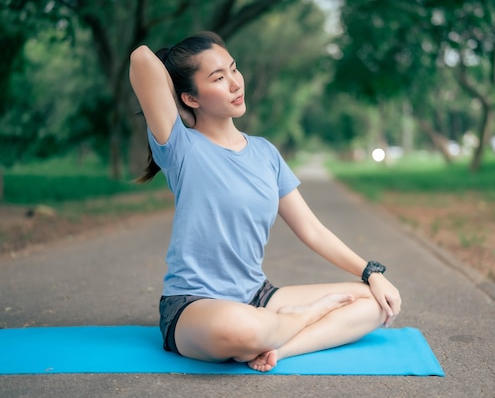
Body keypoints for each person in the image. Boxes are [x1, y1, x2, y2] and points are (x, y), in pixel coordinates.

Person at [129, 31, 401, 372]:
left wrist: (371, 272)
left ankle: (281, 348)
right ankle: (300, 319)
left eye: (233, 69)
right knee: (241, 328)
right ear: (191, 97)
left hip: (258, 296)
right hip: (194, 305)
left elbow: (312, 230)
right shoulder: (181, 147)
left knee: (375, 303)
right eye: (217, 77)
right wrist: (179, 110)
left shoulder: (265, 153)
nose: (234, 83)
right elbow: (141, 58)